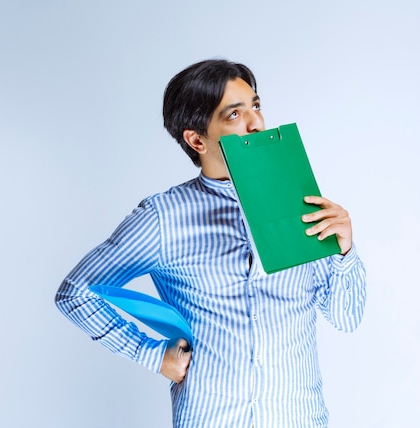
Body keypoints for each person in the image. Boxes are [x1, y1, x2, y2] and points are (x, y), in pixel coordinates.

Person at [55, 59, 366, 428]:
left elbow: (347, 319)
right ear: (197, 139)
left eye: (256, 106)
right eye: (234, 114)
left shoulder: (302, 205)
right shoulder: (163, 218)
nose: (256, 124)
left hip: (299, 418)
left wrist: (345, 251)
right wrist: (152, 356)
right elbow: (75, 293)